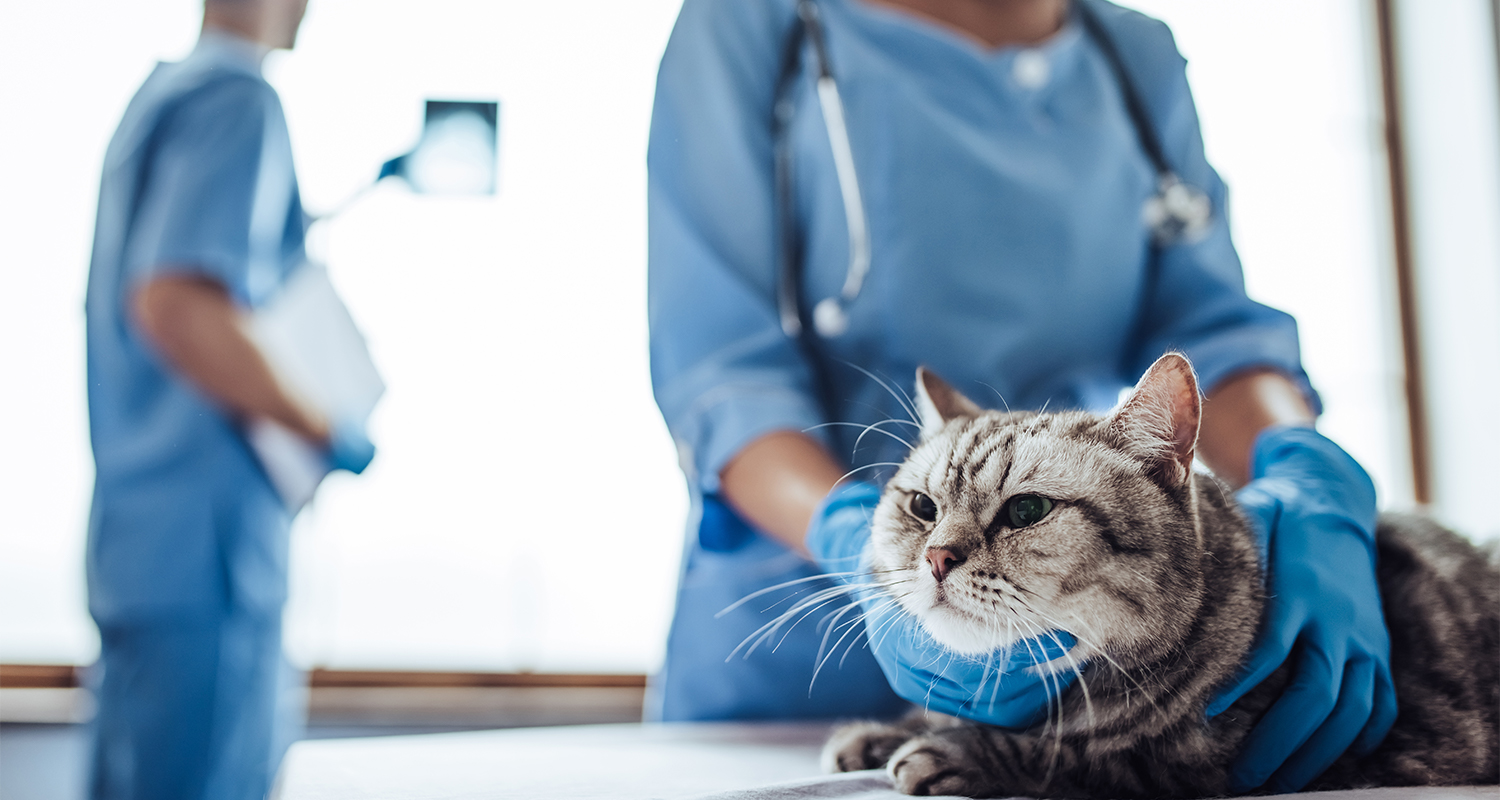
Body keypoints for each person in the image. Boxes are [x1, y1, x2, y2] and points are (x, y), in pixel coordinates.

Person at [647, 0, 1395, 793]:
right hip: (799, 640)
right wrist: (851, 541)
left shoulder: (1133, 55)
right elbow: (728, 376)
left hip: (1086, 638)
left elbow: (1209, 331)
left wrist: (1306, 470)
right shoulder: (755, 22)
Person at [83, 1, 370, 797]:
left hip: (143, 550)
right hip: (206, 559)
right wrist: (329, 427)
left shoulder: (164, 97)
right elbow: (176, 303)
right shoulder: (241, 101)